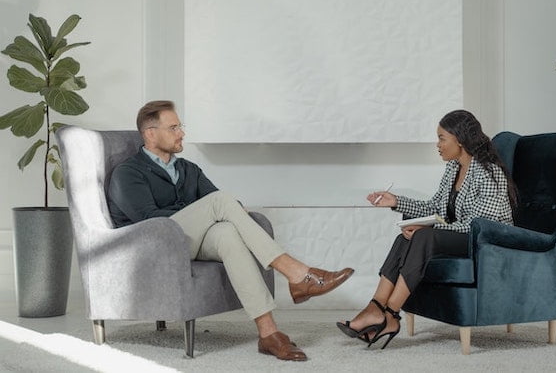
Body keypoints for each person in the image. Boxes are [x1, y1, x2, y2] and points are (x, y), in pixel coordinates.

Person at [108, 100, 354, 362]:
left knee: (227, 233)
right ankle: (297, 274)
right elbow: (149, 221)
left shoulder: (187, 169)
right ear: (150, 133)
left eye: (180, 126)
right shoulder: (128, 173)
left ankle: (268, 333)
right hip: (154, 246)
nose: (182, 133)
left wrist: (228, 213)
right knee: (222, 203)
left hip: (189, 239)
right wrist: (213, 210)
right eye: (173, 127)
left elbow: (220, 204)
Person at [336, 109, 516, 349]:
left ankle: (390, 315)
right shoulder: (454, 168)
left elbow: (480, 225)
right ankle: (376, 307)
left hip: (487, 243)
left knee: (422, 235)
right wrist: (396, 201)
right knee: (405, 238)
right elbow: (434, 206)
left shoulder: (489, 172)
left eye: (442, 138)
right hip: (463, 236)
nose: (438, 144)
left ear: (460, 140)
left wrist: (429, 227)